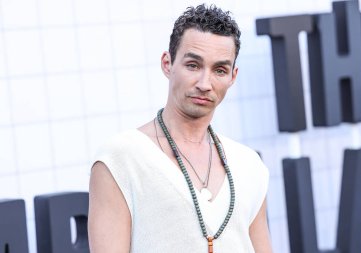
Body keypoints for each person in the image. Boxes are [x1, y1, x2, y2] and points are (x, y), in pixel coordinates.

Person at [88, 4, 272, 253]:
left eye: (219, 70)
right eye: (193, 65)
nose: (205, 83)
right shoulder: (121, 158)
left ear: (233, 76)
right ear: (167, 63)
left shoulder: (249, 165)